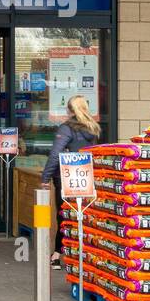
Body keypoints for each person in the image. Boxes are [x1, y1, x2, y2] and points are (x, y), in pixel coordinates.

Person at [41, 94, 101, 269]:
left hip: (66, 177)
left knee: (64, 215)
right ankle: (81, 256)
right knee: (82, 216)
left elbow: (55, 154)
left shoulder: (67, 128)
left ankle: (57, 255)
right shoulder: (93, 128)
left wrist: (45, 178)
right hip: (85, 177)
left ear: (69, 110)